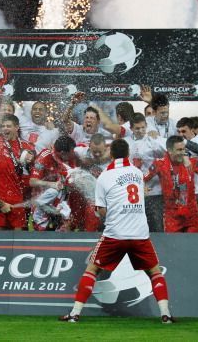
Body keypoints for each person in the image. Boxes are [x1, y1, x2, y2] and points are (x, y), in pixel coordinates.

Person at [59, 139, 174, 324]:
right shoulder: (137, 172)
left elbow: (100, 210)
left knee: (92, 270)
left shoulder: (105, 175)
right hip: (139, 234)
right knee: (154, 272)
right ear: (128, 154)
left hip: (115, 234)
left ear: (111, 154)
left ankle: (74, 314)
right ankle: (165, 314)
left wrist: (104, 213)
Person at [144, 135, 198, 233]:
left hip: (192, 213)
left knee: (192, 244)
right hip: (172, 214)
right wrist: (142, 187)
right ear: (169, 150)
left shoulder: (191, 162)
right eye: (179, 150)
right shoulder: (159, 164)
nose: (182, 153)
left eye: (183, 149)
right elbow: (143, 178)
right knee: (173, 245)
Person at [0, 114, 34, 230]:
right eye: (3, 126)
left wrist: (31, 160)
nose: (5, 129)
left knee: (18, 241)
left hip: (17, 199)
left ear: (16, 127)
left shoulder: (26, 147)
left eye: (8, 126)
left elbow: (31, 173)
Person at [124, 113, 167, 232]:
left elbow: (168, 153)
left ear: (146, 126)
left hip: (153, 192)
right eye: (137, 128)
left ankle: (159, 249)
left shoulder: (154, 141)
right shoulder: (125, 143)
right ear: (131, 128)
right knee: (135, 228)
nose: (141, 130)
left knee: (156, 227)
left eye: (143, 127)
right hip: (133, 193)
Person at [30, 136, 78, 231]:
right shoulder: (44, 157)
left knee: (65, 229)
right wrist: (52, 184)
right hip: (43, 202)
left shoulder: (71, 157)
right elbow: (32, 182)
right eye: (71, 152)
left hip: (61, 202)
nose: (73, 154)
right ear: (62, 153)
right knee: (42, 232)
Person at [176, 117, 198, 232]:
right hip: (183, 193)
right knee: (183, 227)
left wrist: (184, 142)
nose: (181, 134)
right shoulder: (178, 145)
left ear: (192, 130)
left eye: (184, 131)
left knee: (197, 227)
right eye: (179, 131)